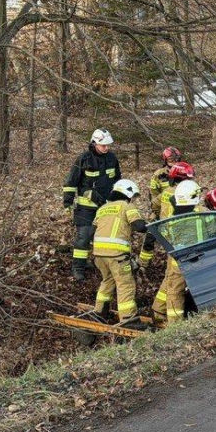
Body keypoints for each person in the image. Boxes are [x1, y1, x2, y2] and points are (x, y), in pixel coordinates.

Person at [62, 128, 121, 280]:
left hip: (106, 206)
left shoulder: (112, 158)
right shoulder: (84, 159)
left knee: (103, 237)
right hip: (86, 207)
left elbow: (117, 180)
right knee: (84, 237)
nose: (106, 148)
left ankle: (100, 264)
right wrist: (68, 202)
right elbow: (71, 181)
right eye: (103, 145)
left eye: (108, 145)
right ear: (94, 143)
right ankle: (78, 267)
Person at [91, 179, 147, 321]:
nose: (133, 200)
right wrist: (151, 227)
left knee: (107, 280)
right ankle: (128, 318)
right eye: (133, 197)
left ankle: (99, 312)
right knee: (125, 284)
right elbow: (139, 226)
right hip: (117, 255)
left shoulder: (102, 208)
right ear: (128, 193)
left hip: (99, 254)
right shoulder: (126, 206)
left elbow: (92, 230)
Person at [153, 179, 204, 325]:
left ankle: (173, 324)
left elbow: (165, 238)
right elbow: (214, 229)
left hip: (178, 263)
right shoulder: (202, 213)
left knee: (174, 291)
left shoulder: (170, 220)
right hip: (201, 260)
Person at [140, 146, 183, 266]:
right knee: (150, 234)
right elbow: (153, 195)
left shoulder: (183, 171)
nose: (173, 162)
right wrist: (157, 211)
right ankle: (143, 264)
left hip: (180, 210)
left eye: (176, 159)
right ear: (165, 160)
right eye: (171, 160)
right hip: (161, 208)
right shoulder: (158, 175)